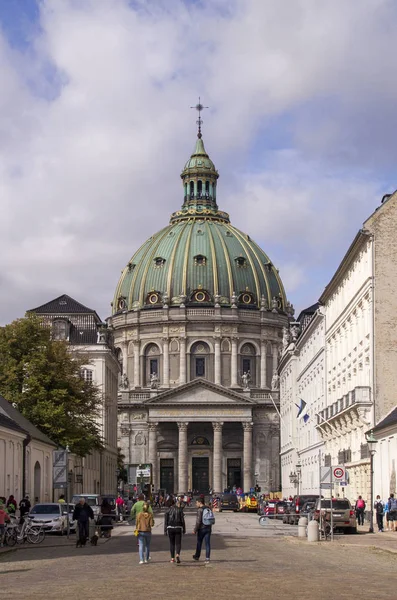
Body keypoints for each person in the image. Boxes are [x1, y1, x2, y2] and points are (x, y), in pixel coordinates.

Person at [192, 495, 215, 565]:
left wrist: (195, 529)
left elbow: (198, 521)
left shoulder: (200, 510)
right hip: (208, 527)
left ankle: (197, 556)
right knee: (207, 543)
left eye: (196, 503)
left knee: (199, 542)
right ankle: (207, 558)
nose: (196, 504)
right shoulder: (208, 508)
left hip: (202, 528)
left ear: (199, 502)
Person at [164, 498, 186, 564]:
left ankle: (172, 558)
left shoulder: (167, 511)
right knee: (178, 543)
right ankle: (177, 555)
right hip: (178, 527)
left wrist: (165, 530)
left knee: (172, 543)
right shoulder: (179, 510)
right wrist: (184, 529)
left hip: (170, 527)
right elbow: (183, 520)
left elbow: (166, 521)